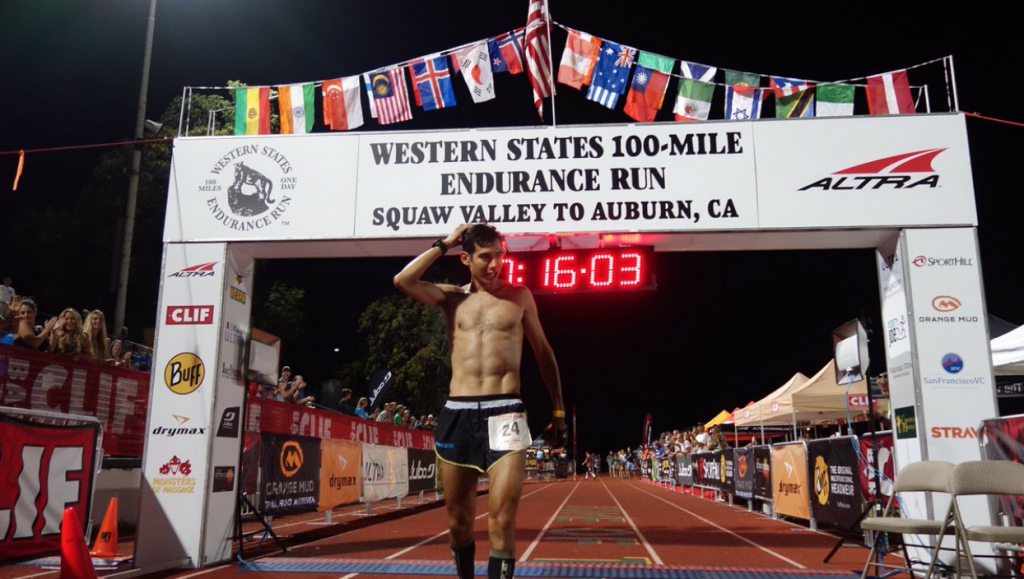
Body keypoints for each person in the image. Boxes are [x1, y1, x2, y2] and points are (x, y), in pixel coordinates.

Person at [395, 223, 565, 579]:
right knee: (458, 522)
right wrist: (443, 243)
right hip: (458, 414)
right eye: (485, 257)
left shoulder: (519, 296)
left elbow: (544, 352)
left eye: (500, 256)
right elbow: (404, 281)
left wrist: (558, 410)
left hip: (506, 414)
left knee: (502, 520)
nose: (495, 264)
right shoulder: (451, 298)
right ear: (465, 258)